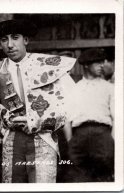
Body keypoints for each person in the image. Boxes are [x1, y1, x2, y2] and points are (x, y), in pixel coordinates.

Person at [0, 19, 76, 183]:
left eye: (15, 37)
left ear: (26, 40)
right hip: (11, 143)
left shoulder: (48, 65)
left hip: (44, 140)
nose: (10, 44)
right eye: (4, 40)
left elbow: (73, 105)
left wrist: (40, 121)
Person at [66, 48, 114, 182]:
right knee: (78, 178)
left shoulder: (109, 88)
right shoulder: (75, 88)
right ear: (86, 65)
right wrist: (71, 141)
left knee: (104, 177)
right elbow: (67, 119)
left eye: (102, 62)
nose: (102, 65)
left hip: (102, 134)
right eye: (97, 63)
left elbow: (117, 118)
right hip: (79, 136)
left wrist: (111, 140)